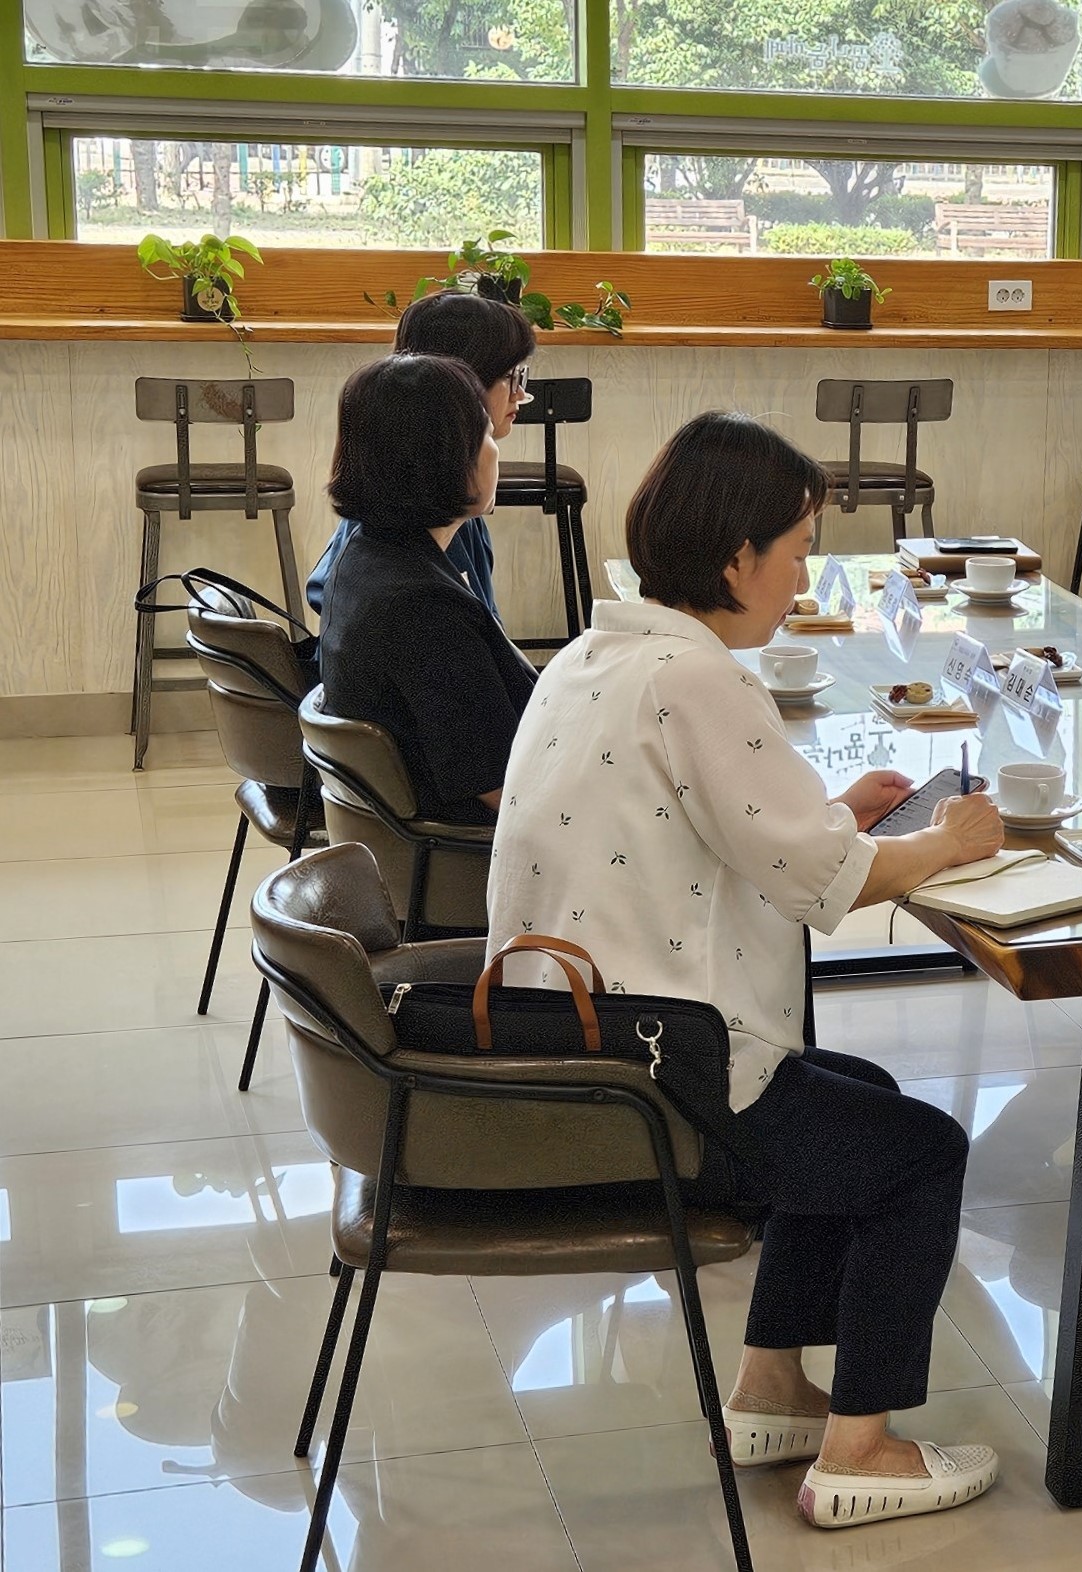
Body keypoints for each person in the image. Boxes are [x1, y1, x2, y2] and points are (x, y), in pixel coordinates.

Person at [485, 412, 1008, 1531]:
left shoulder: (603, 649)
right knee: (918, 1156)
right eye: (799, 544)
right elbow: (823, 883)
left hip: (580, 1034)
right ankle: (863, 1451)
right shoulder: (700, 678)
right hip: (652, 1069)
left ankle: (772, 1390)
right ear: (737, 559)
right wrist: (939, 845)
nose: (804, 570)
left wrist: (840, 816)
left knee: (850, 1097)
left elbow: (743, 833)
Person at [317, 354, 534, 825]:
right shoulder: (422, 609)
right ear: (440, 458)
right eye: (482, 433)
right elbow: (505, 788)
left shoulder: (365, 555)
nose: (495, 447)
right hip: (469, 859)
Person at [306, 288, 538, 622]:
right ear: (461, 383)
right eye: (511, 376)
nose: (521, 393)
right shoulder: (432, 517)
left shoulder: (408, 496)